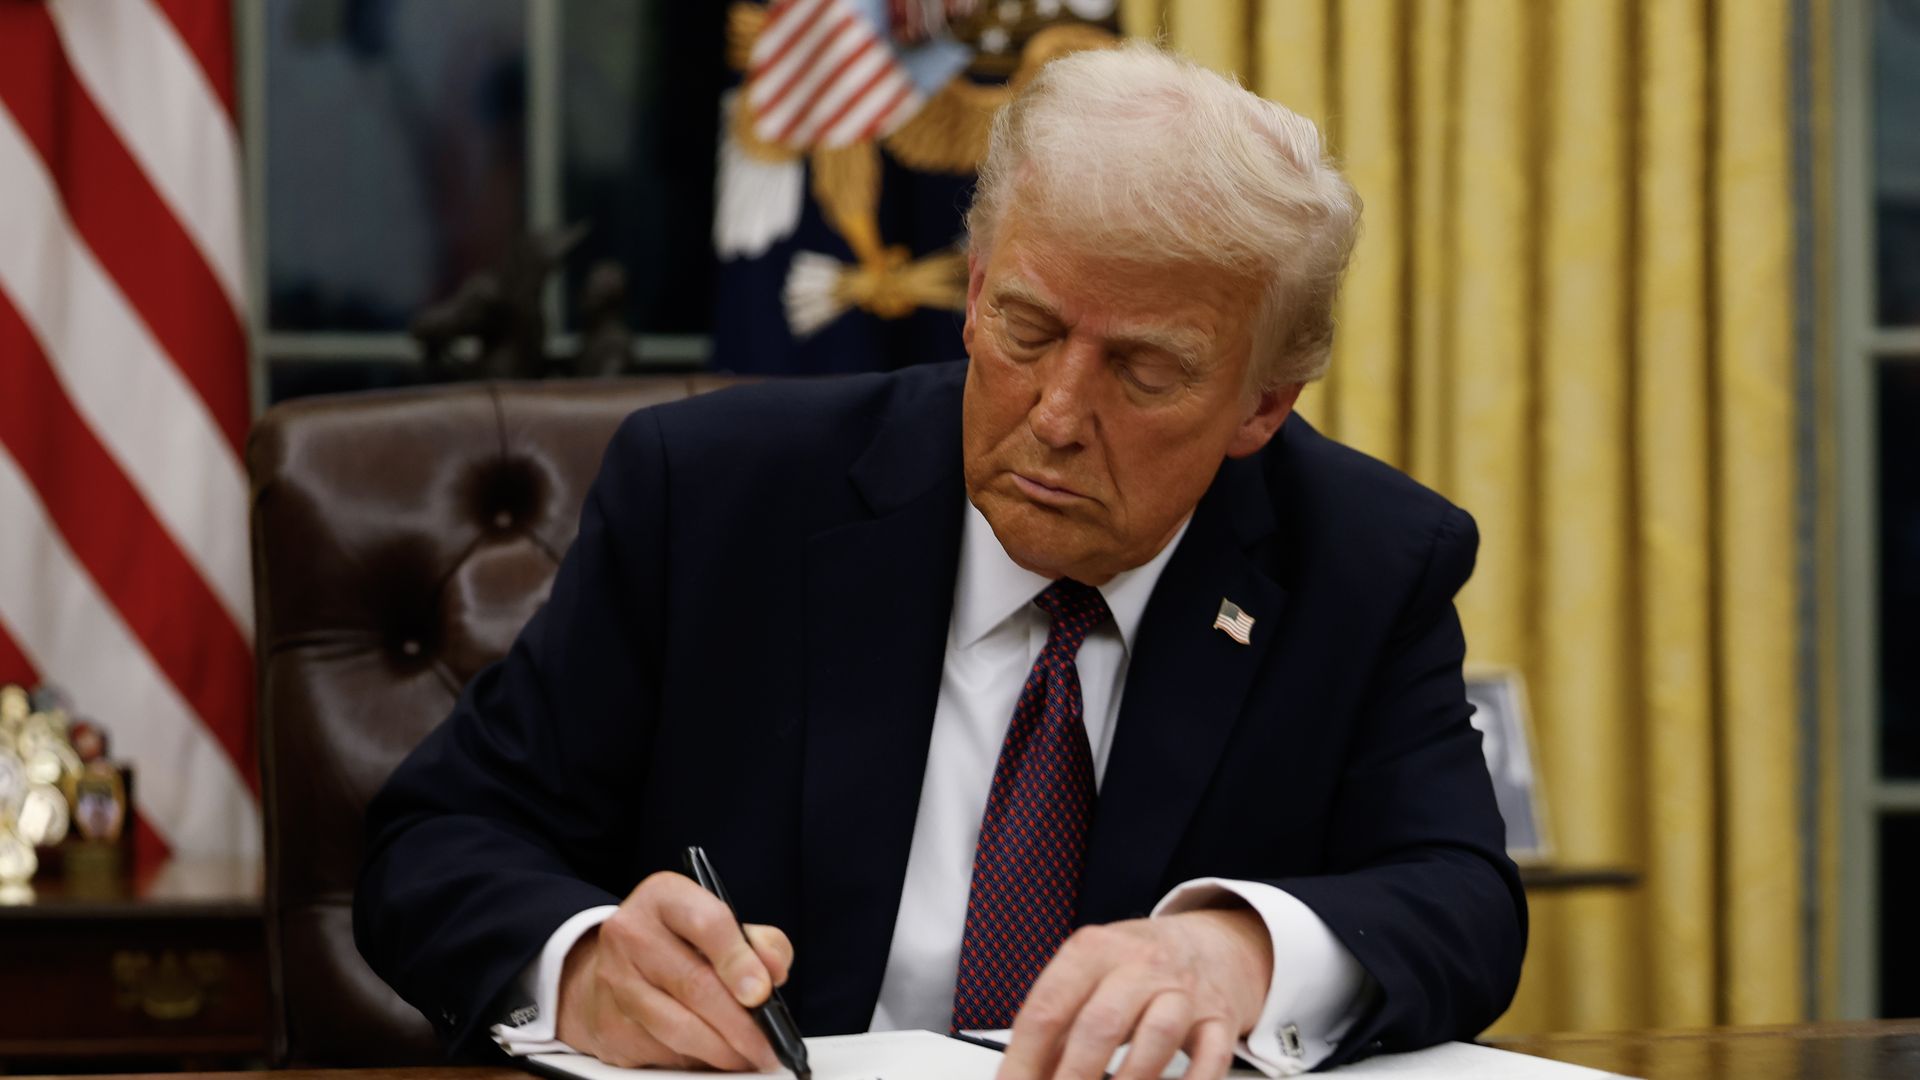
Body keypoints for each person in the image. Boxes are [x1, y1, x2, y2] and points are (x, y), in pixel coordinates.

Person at [354, 43, 1526, 1080]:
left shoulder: (1366, 561)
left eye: (1145, 371)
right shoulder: (714, 499)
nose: (1058, 414)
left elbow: (1462, 902)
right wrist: (589, 962)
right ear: (971, 294)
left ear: (1263, 403)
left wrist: (1235, 949)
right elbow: (436, 843)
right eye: (1027, 329)